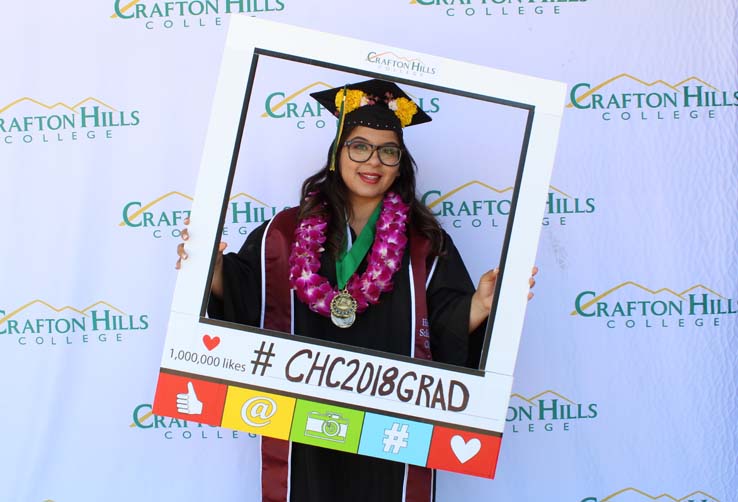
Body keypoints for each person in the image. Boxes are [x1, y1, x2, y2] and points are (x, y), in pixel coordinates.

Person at [176, 79, 535, 502]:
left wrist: (481, 304)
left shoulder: (424, 241)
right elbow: (242, 294)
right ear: (336, 154)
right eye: (359, 146)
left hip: (391, 422)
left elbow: (445, 326)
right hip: (304, 420)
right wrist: (208, 265)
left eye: (388, 151)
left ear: (400, 164)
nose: (374, 161)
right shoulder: (284, 232)